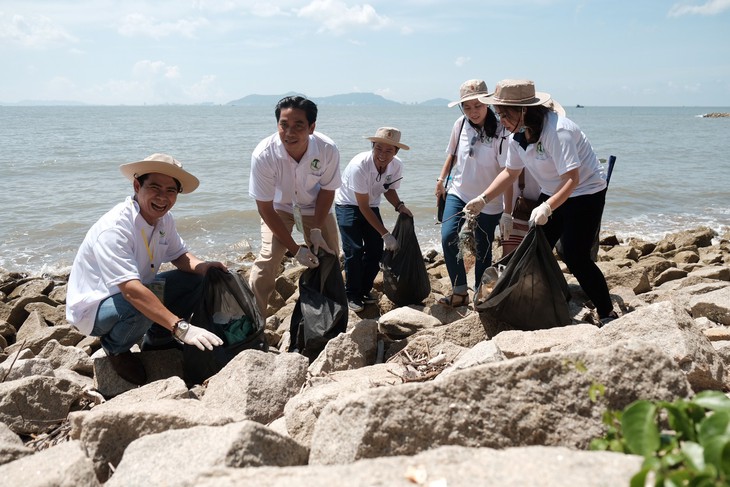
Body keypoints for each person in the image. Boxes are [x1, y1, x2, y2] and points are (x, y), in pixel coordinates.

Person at [66, 153, 226, 385]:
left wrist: (206, 268)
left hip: (132, 292)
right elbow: (131, 291)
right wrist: (181, 328)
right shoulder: (115, 227)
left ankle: (158, 338)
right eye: (155, 187)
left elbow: (180, 256)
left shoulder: (164, 220)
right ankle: (115, 348)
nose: (163, 197)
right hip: (95, 307)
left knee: (199, 280)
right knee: (142, 303)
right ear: (137, 185)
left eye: (171, 190)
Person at [470, 79, 618, 324]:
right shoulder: (516, 135)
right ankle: (536, 300)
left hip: (586, 192)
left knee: (574, 254)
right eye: (499, 114)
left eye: (505, 115)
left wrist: (548, 207)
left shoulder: (558, 131)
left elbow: (572, 178)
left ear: (524, 110)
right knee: (534, 248)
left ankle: (606, 312)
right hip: (551, 191)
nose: (501, 121)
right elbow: (510, 172)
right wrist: (483, 199)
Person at [248, 95, 341, 317]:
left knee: (331, 257)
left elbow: (328, 191)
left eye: (298, 125)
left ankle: (330, 315)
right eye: (284, 125)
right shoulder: (264, 154)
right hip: (279, 209)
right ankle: (254, 322)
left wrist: (317, 230)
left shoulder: (327, 149)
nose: (289, 133)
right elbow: (265, 207)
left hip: (316, 207)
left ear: (311, 127)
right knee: (267, 262)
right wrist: (295, 249)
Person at [434, 79, 504, 308]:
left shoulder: (501, 130)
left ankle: (480, 294)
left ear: (488, 103)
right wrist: (441, 180)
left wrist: (508, 211)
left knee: (483, 249)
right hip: (459, 192)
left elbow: (508, 171)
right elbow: (451, 155)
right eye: (467, 106)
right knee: (448, 237)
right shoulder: (460, 124)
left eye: (478, 106)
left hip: (489, 200)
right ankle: (459, 290)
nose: (473, 112)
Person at [334, 127, 412, 312]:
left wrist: (400, 206)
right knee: (354, 249)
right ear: (372, 146)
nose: (382, 155)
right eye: (378, 148)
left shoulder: (397, 165)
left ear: (396, 152)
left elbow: (388, 188)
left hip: (371, 205)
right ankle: (351, 294)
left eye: (389, 150)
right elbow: (362, 206)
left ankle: (363, 290)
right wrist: (385, 234)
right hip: (348, 204)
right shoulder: (359, 165)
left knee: (376, 251)